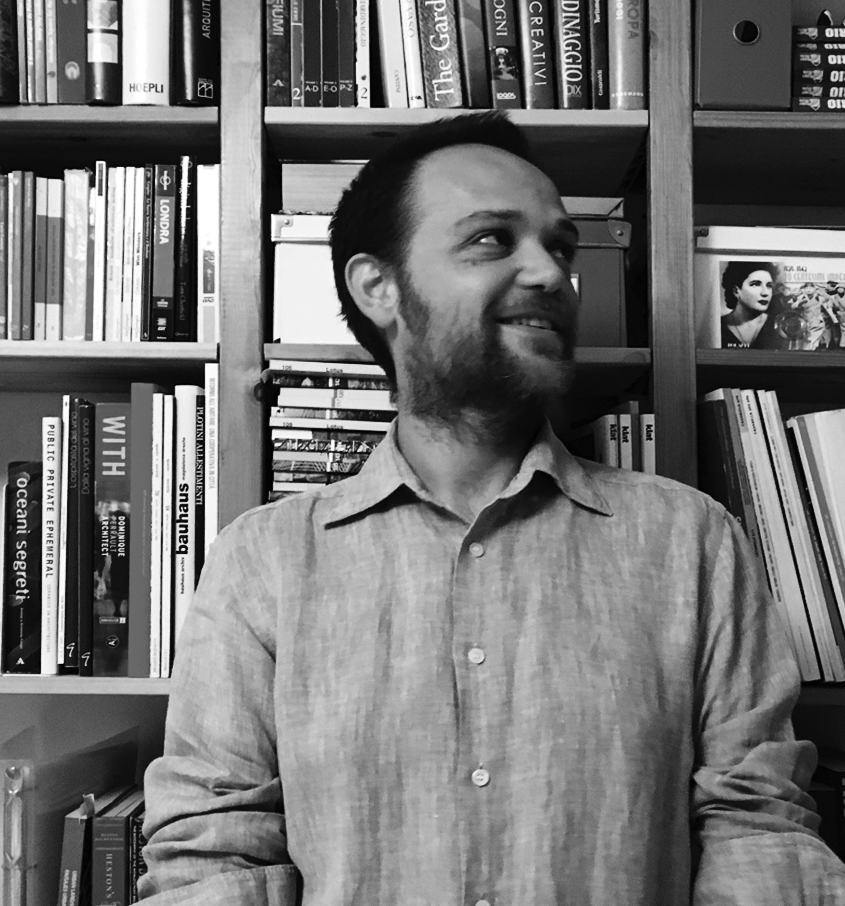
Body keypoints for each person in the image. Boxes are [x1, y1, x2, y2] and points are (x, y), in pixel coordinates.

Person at [138, 112, 845, 905]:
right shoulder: (262, 562)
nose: (550, 273)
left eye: (561, 247)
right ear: (378, 287)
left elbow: (758, 832)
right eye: (491, 240)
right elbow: (212, 856)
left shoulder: (692, 541)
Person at [719, 260, 781, 349]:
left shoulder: (779, 324)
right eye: (755, 284)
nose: (765, 293)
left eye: (769, 285)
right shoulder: (717, 327)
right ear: (736, 291)